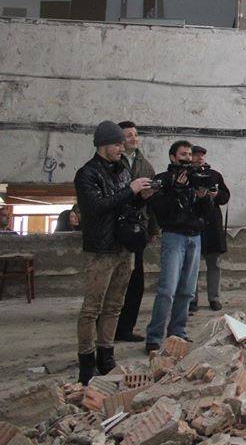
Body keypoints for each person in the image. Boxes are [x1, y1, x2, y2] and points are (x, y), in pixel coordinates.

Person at [74, 120, 154, 384]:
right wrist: (129, 190)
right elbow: (96, 207)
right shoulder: (87, 174)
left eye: (123, 143)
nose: (122, 148)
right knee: (92, 308)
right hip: (101, 249)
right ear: (103, 145)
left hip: (123, 246)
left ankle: (106, 356)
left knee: (114, 306)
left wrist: (140, 196)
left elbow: (125, 204)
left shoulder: (122, 170)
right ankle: (86, 361)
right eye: (118, 144)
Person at [144, 141, 215, 353]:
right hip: (174, 237)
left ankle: (178, 333)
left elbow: (207, 214)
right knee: (167, 290)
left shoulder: (196, 179)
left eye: (189, 154)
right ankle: (154, 337)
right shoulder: (163, 180)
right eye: (183, 154)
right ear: (172, 157)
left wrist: (203, 198)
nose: (187, 158)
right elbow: (160, 210)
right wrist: (176, 189)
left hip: (195, 237)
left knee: (187, 291)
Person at [114, 121, 159, 343]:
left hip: (137, 229)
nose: (133, 138)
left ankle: (125, 328)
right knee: (113, 281)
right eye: (128, 135)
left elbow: (151, 202)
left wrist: (153, 228)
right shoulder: (113, 163)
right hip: (115, 228)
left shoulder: (145, 165)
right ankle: (106, 327)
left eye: (135, 134)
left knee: (135, 281)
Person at [190, 145, 231, 312]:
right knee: (191, 265)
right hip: (193, 222)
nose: (200, 158)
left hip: (212, 224)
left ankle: (214, 298)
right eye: (196, 155)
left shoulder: (214, 175)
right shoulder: (186, 175)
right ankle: (191, 299)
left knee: (214, 264)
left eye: (202, 155)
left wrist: (216, 195)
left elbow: (225, 196)